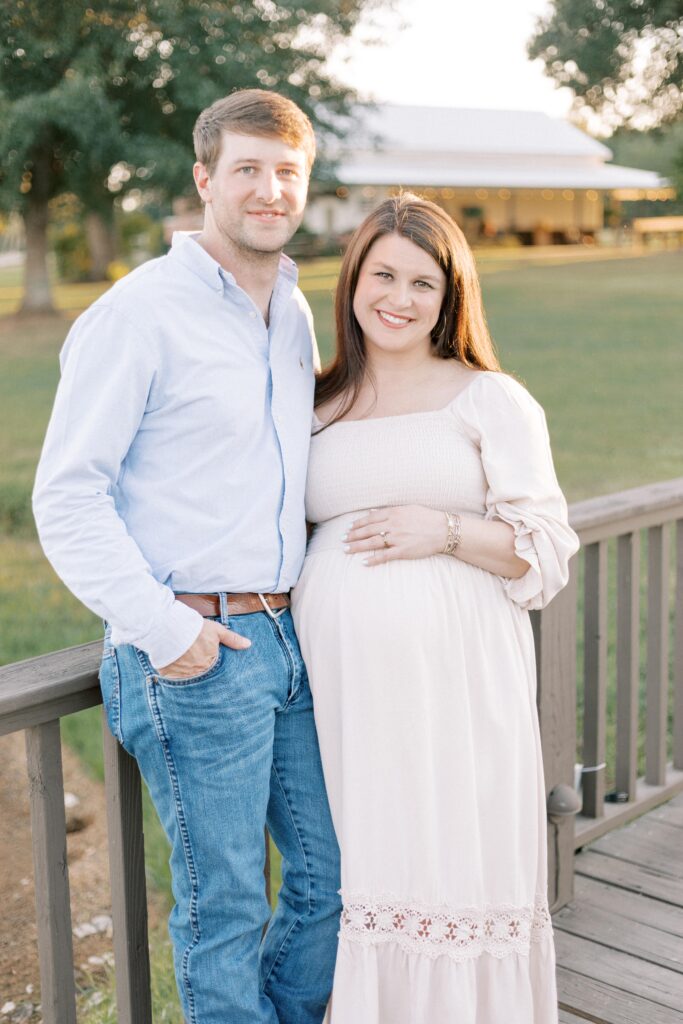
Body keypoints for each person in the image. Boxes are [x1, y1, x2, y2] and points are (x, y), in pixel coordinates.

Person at [33, 89, 341, 1024]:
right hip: (195, 654)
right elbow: (68, 494)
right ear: (204, 179)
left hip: (290, 643)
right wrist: (170, 633)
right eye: (247, 168)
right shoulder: (139, 314)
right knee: (225, 909)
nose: (268, 188)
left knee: (332, 881)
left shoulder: (289, 313)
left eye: (286, 171)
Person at [290, 192, 580, 1023]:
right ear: (351, 281)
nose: (400, 298)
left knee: (454, 864)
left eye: (424, 282)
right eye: (383, 274)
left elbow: (546, 545)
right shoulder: (313, 406)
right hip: (348, 699)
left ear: (450, 296)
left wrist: (445, 530)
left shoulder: (487, 398)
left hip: (458, 689)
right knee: (369, 870)